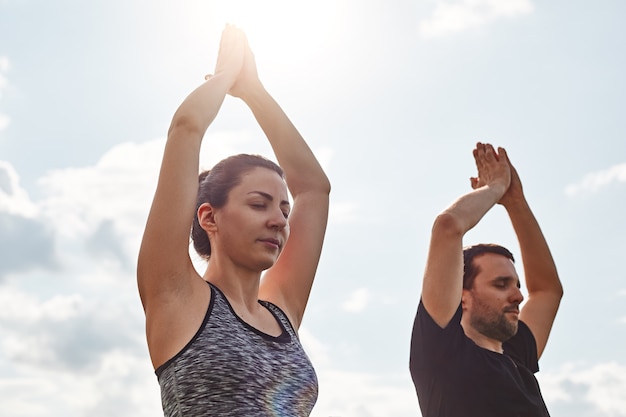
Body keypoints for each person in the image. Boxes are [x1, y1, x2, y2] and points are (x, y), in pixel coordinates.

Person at [137, 24, 330, 417]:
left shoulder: (282, 312)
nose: (278, 220)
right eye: (259, 204)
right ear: (209, 216)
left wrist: (254, 91)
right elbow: (186, 129)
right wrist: (226, 77)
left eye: (283, 210)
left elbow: (314, 189)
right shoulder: (178, 299)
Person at [409, 143, 563, 417]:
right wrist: (495, 188)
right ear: (462, 297)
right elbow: (448, 226)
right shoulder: (444, 354)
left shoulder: (516, 354)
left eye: (516, 285)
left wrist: (516, 202)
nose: (518, 296)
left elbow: (547, 291)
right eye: (501, 284)